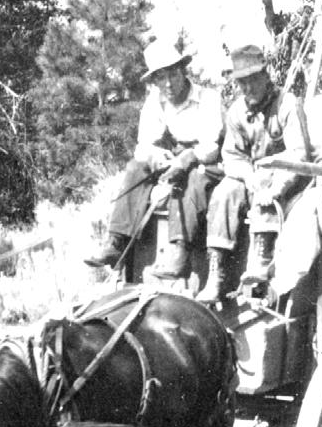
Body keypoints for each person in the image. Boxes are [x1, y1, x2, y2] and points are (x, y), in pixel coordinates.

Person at [84, 38, 224, 277]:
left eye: (173, 75)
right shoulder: (155, 102)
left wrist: (187, 158)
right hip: (173, 158)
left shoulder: (208, 98)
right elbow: (143, 147)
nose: (168, 83)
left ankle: (180, 251)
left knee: (192, 179)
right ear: (155, 81)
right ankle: (116, 242)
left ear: (183, 71)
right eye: (161, 78)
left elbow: (211, 147)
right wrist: (157, 155)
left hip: (208, 162)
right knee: (135, 168)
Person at [195, 44, 311, 304]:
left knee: (266, 191)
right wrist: (249, 176)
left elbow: (299, 154)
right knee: (224, 191)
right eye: (242, 83)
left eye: (253, 80)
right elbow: (232, 156)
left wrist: (276, 186)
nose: (248, 88)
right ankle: (216, 273)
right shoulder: (237, 111)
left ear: (266, 75)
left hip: (287, 179)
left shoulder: (287, 104)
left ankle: (260, 265)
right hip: (254, 178)